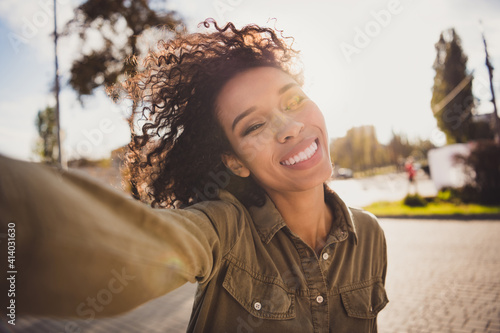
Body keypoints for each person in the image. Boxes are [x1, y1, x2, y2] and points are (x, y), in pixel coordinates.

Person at [0, 20, 388, 332]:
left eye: (293, 100)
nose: (288, 128)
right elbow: (133, 245)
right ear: (234, 162)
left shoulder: (369, 236)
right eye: (253, 126)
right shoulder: (223, 230)